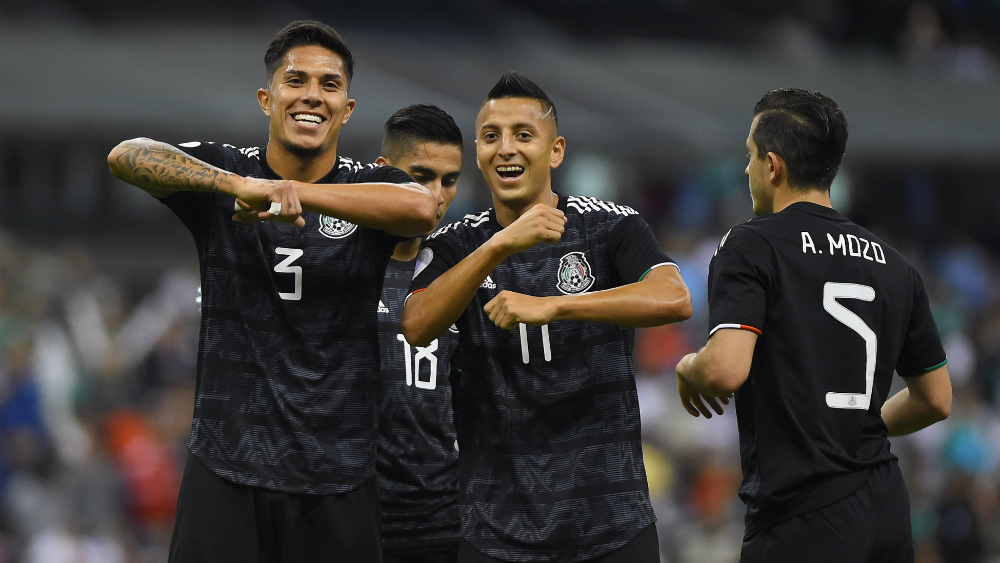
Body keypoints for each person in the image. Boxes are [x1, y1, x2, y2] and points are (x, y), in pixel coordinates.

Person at [106, 21, 438, 563]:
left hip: (339, 474)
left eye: (329, 85)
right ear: (267, 98)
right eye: (296, 80)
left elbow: (420, 208)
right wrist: (240, 186)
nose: (312, 95)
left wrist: (296, 194)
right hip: (226, 469)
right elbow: (127, 155)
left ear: (347, 109)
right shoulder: (229, 171)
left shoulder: (369, 185)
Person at [401, 72, 693, 563]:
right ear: (478, 152)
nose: (506, 148)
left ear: (555, 151)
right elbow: (416, 322)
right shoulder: (456, 244)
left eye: (523, 134)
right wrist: (499, 245)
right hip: (496, 531)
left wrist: (557, 305)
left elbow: (674, 297)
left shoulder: (608, 226)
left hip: (611, 525)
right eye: (491, 137)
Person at [674, 88, 953, 563]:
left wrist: (688, 367)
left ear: (773, 166)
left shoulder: (751, 245)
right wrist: (853, 430)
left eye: (749, 156)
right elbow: (936, 399)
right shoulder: (894, 265)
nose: (746, 170)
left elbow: (724, 370)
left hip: (803, 515)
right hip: (885, 506)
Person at [374, 104, 465, 563]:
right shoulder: (340, 261)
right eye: (421, 175)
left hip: (441, 514)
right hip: (349, 507)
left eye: (449, 180)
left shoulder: (461, 275)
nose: (436, 193)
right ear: (382, 171)